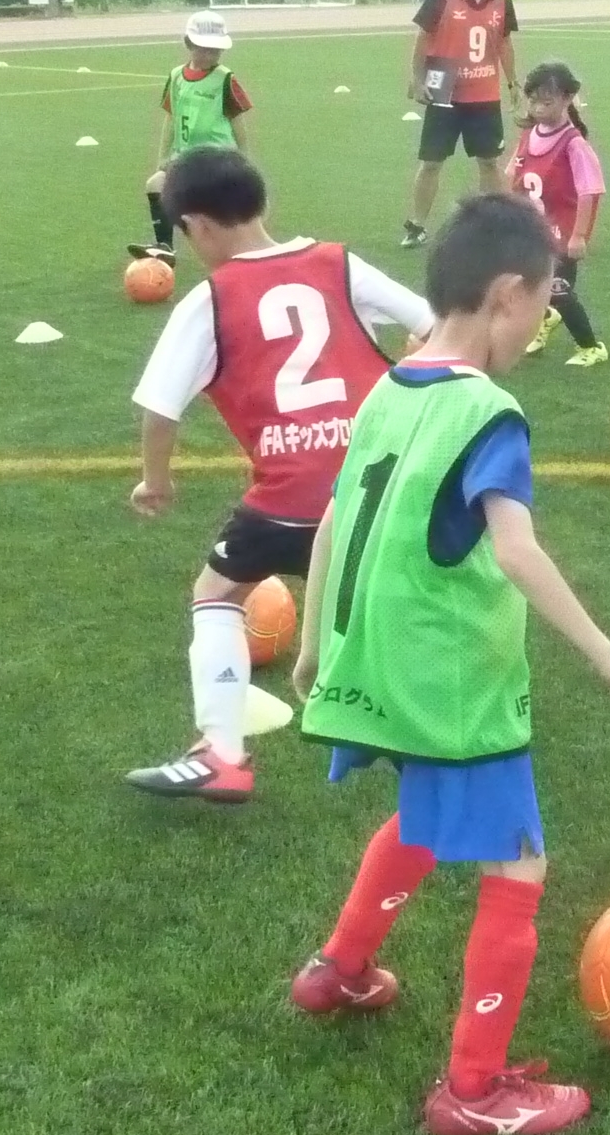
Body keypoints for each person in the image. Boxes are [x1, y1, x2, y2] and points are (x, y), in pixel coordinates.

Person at [287, 193, 610, 1135]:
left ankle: (337, 971)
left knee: (421, 820)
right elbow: (514, 551)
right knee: (521, 858)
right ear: (507, 294)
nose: (542, 324)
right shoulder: (490, 412)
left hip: (367, 660)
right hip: (450, 679)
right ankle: (475, 1087)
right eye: (545, 306)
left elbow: (337, 516)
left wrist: (308, 641)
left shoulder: (390, 383)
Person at [125, 147, 432, 801]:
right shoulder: (338, 262)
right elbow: (432, 324)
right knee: (387, 612)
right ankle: (431, 740)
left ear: (198, 227)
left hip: (289, 501)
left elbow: (157, 407)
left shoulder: (209, 301)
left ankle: (224, 755)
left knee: (216, 595)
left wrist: (156, 480)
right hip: (382, 488)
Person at [401, 0, 519, 247]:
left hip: (484, 90)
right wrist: (417, 77)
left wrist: (512, 82)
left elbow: (505, 42)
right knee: (432, 161)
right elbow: (423, 37)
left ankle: (497, 224)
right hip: (444, 84)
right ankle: (417, 224)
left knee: (489, 161)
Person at [130, 11, 252, 262]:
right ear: (189, 44)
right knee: (155, 184)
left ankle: (240, 248)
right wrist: (163, 156)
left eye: (216, 50)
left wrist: (243, 159)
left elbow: (237, 119)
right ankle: (164, 246)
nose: (211, 55)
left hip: (216, 158)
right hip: (184, 157)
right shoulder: (176, 77)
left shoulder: (225, 79)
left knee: (216, 211)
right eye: (204, 49)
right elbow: (171, 117)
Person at [507, 61, 608, 366]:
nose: (538, 107)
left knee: (560, 289)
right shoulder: (529, 134)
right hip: (534, 230)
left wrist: (578, 235)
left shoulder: (573, 144)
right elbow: (513, 172)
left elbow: (589, 190)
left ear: (567, 99)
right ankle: (546, 317)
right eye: (533, 100)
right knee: (531, 284)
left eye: (547, 101)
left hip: (562, 234)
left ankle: (591, 347)